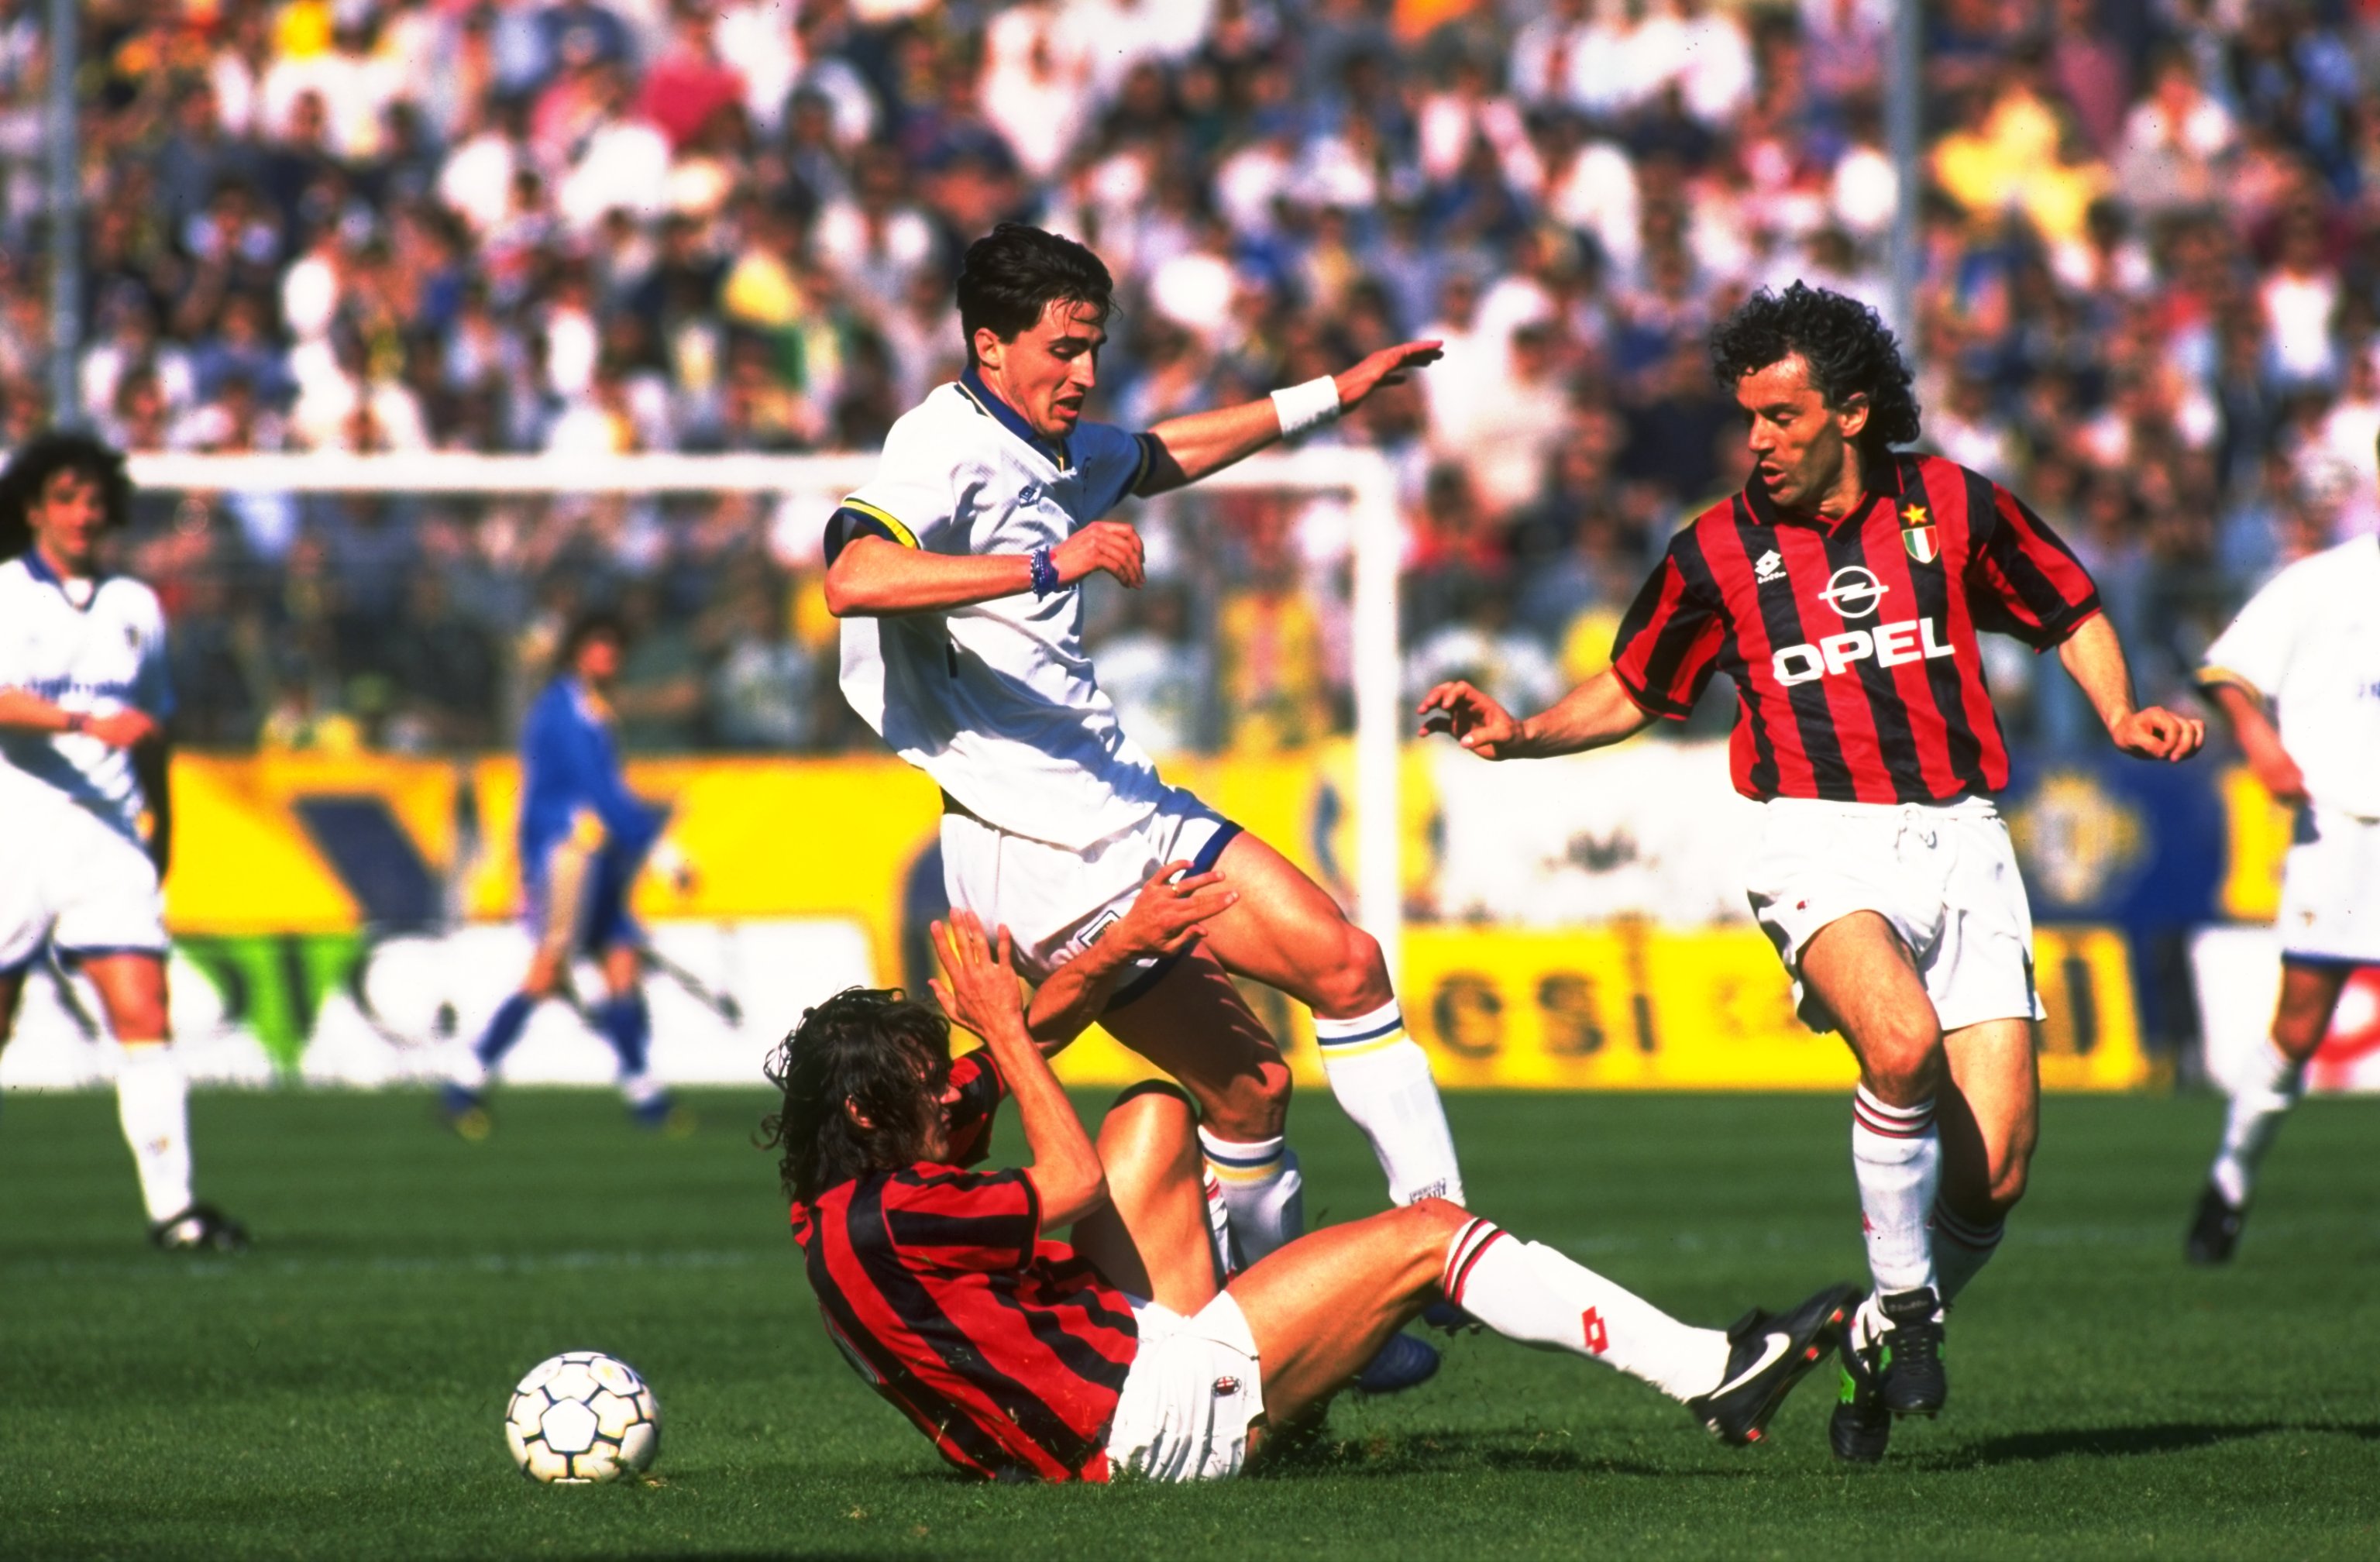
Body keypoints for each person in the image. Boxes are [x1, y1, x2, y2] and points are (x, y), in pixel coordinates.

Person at [1418, 284, 2205, 1462]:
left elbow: (2069, 605)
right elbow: (1638, 684)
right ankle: (1917, 1311)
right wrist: (1522, 731)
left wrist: (2125, 706)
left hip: (1964, 835)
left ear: (1850, 413)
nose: (1759, 443)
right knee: (1899, 1047)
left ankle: (1882, 1330)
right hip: (1814, 835)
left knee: (1998, 1168)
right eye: (1748, 420)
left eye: (1781, 419)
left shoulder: (1951, 505)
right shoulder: (1718, 548)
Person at [823, 222, 1463, 1390]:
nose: (1084, 372)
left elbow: (1160, 455)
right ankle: (1348, 1299)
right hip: (1042, 840)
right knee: (1269, 1061)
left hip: (1120, 796)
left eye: (1094, 348)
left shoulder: (1055, 439)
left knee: (1334, 989)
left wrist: (1335, 393)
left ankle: (1423, 1243)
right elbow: (852, 576)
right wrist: (1044, 568)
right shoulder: (940, 446)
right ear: (989, 345)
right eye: (1064, 349)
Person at [766, 906, 1860, 1483]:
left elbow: (1018, 1056)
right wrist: (1005, 1026)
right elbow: (1066, 1179)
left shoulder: (847, 1210)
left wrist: (1122, 946)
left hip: (1096, 1412)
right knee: (1428, 1234)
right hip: (1151, 1421)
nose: (946, 1086)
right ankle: (1712, 1373)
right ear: (868, 1115)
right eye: (922, 1080)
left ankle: (1285, 1331)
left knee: (1151, 1115)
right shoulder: (902, 1213)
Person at [0, 431, 247, 1251]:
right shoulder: (7, 593)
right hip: (18, 834)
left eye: (94, 498)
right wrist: (81, 721)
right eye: (65, 497)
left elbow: (154, 729)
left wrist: (162, 827)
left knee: (145, 1012)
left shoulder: (137, 607)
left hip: (109, 838)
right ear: (34, 507)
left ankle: (174, 1213)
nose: (83, 513)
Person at [2184, 521, 2380, 1264]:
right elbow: (2226, 669)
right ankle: (2231, 1177)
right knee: (2299, 1027)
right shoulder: (2322, 580)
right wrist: (2260, 742)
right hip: (2339, 828)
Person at [442, 611, 691, 1136]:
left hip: (592, 853)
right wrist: (662, 852)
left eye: (615, 647)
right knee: (548, 969)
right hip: (567, 855)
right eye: (599, 645)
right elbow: (597, 792)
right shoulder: (568, 709)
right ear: (578, 652)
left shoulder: (590, 708)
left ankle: (644, 1095)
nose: (610, 656)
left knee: (620, 962)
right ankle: (465, 1082)